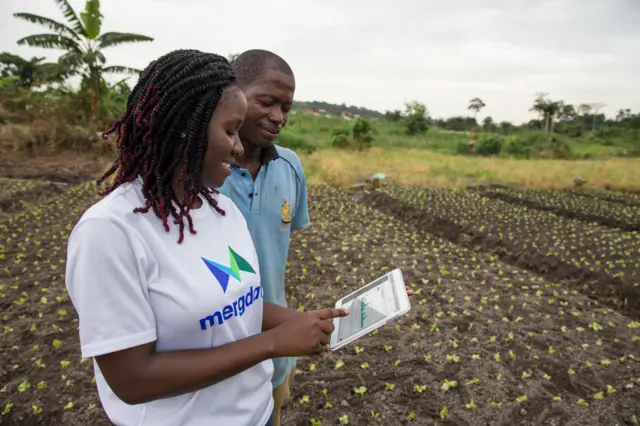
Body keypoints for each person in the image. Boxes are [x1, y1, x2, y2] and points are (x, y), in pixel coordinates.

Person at [64, 49, 347, 426]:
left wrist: (309, 321)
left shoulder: (221, 210)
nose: (239, 146)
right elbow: (131, 379)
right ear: (186, 128)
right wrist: (272, 344)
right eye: (230, 130)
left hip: (257, 414)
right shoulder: (111, 231)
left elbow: (237, 307)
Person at [221, 49, 414, 425]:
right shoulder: (200, 176)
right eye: (266, 102)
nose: (278, 117)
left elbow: (272, 252)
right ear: (233, 94)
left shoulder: (290, 166)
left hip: (277, 351)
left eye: (287, 108)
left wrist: (316, 322)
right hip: (214, 355)